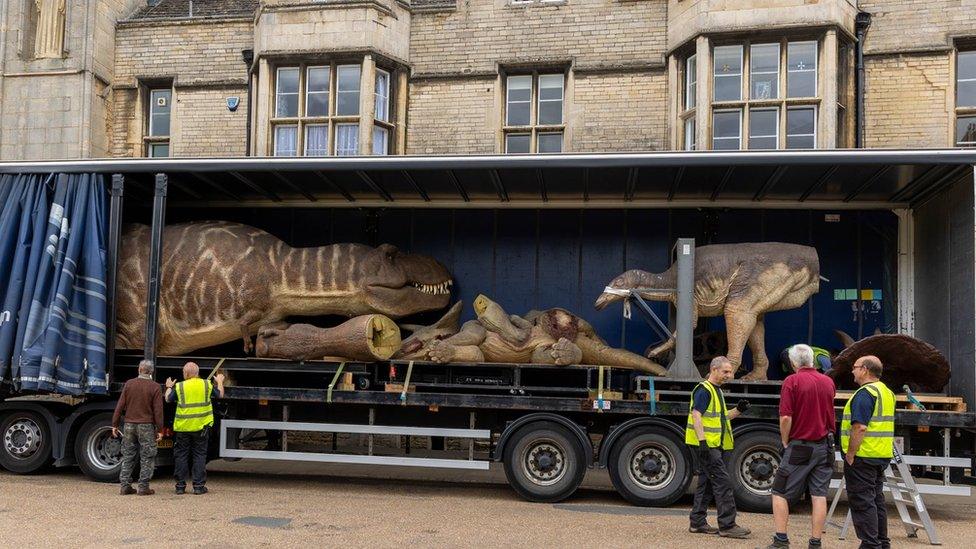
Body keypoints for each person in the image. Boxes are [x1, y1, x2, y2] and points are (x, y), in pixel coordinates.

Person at [764, 344, 837, 549]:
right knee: (819, 495)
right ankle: (815, 543)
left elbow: (786, 416)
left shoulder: (792, 381)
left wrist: (785, 440)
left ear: (794, 362)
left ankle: (781, 540)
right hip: (825, 446)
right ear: (813, 360)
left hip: (800, 446)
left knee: (779, 492)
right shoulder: (828, 382)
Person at [686, 356, 752, 539]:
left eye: (730, 372)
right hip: (707, 445)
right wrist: (702, 442)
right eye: (725, 371)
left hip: (713, 444)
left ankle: (697, 522)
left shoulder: (716, 391)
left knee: (706, 483)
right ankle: (727, 525)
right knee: (723, 483)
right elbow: (696, 415)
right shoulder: (704, 390)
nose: (729, 375)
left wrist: (738, 410)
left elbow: (722, 418)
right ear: (713, 369)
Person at [840, 355, 895, 549]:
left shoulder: (865, 394)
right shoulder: (886, 392)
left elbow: (860, 427)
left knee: (863, 502)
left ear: (864, 369)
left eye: (855, 367)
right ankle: (881, 542)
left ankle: (870, 544)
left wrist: (850, 453)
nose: (852, 371)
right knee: (876, 500)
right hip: (880, 455)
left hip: (863, 456)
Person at [165, 362, 225, 495]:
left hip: (183, 428)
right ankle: (198, 486)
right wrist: (219, 381)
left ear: (185, 374)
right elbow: (220, 395)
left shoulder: (180, 386)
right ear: (197, 373)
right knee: (199, 456)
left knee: (181, 455)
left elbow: (168, 399)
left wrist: (169, 387)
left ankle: (180, 486)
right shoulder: (206, 384)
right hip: (201, 428)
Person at [112, 359, 164, 496]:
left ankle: (125, 486)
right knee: (147, 456)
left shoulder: (129, 384)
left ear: (139, 369)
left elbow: (120, 406)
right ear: (151, 372)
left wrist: (115, 424)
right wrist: (160, 429)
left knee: (128, 455)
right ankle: (143, 487)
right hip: (146, 425)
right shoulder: (155, 387)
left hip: (129, 425)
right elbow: (158, 411)